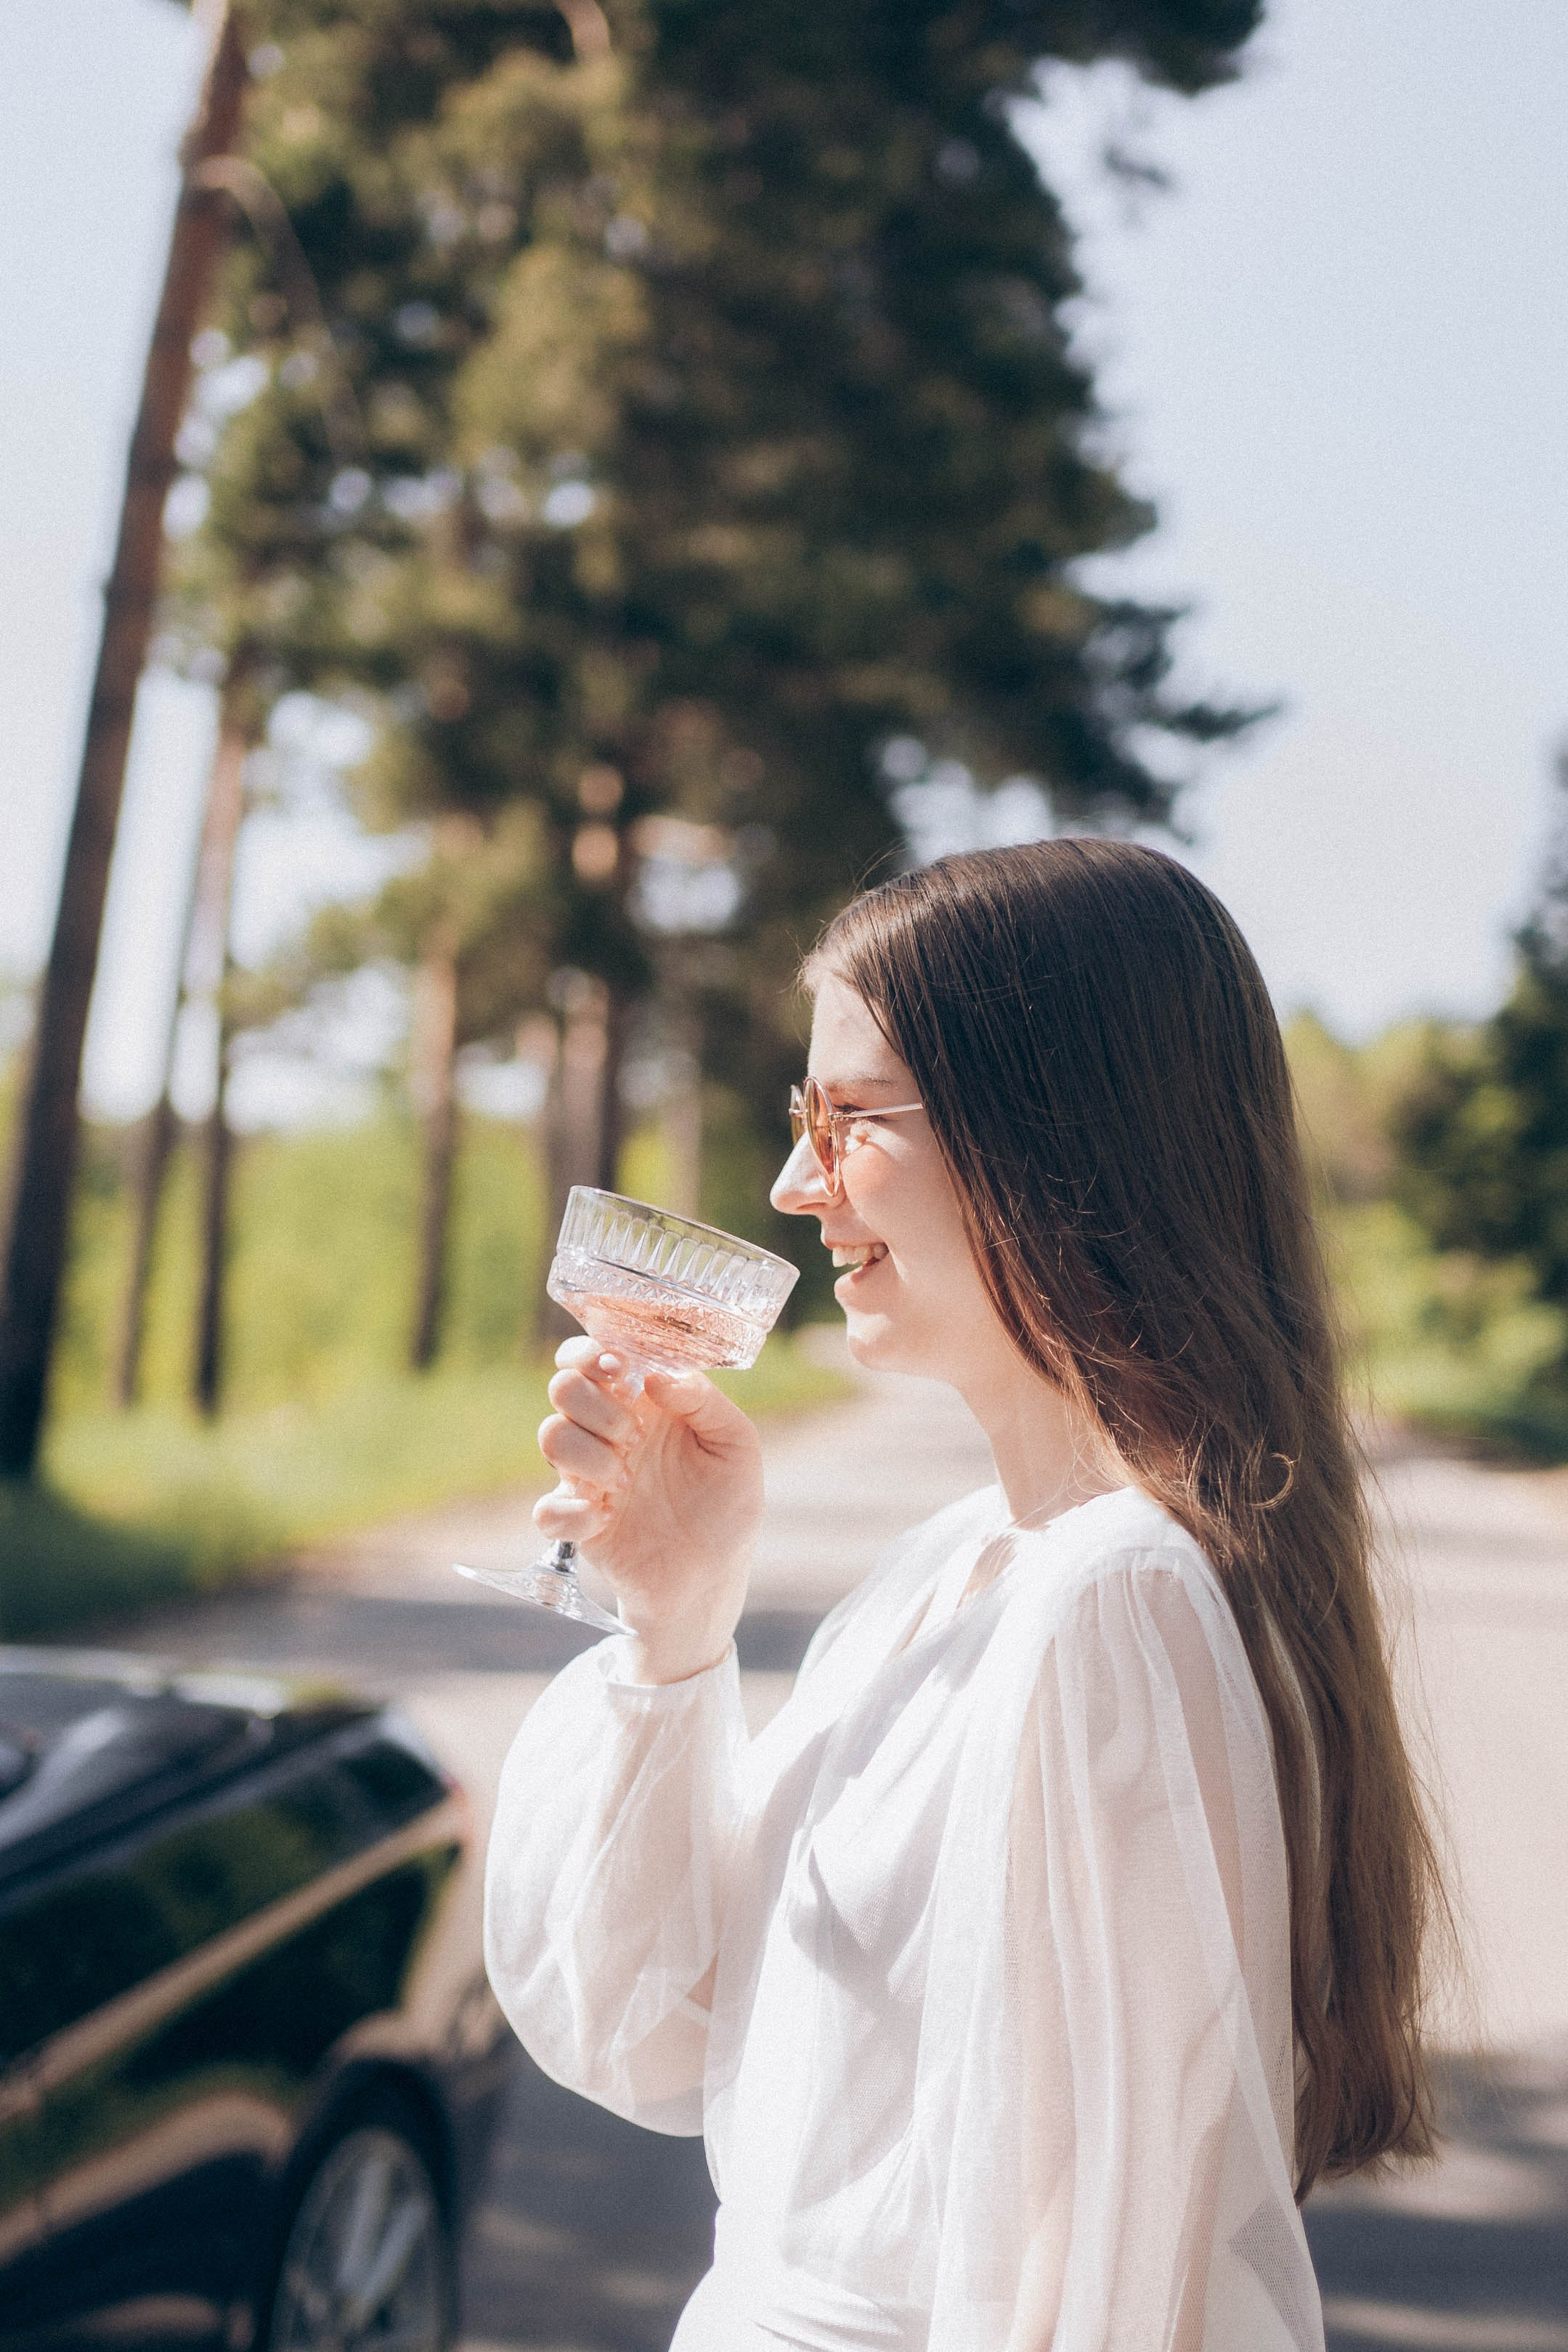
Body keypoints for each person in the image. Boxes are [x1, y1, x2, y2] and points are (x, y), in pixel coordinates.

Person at [484, 840, 1442, 2351]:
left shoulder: (1115, 1607)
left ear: (1056, 1137)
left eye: (849, 1117)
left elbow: (1111, 2283)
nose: (797, 1184)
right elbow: (664, 2030)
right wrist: (677, 1624)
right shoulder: (966, 1563)